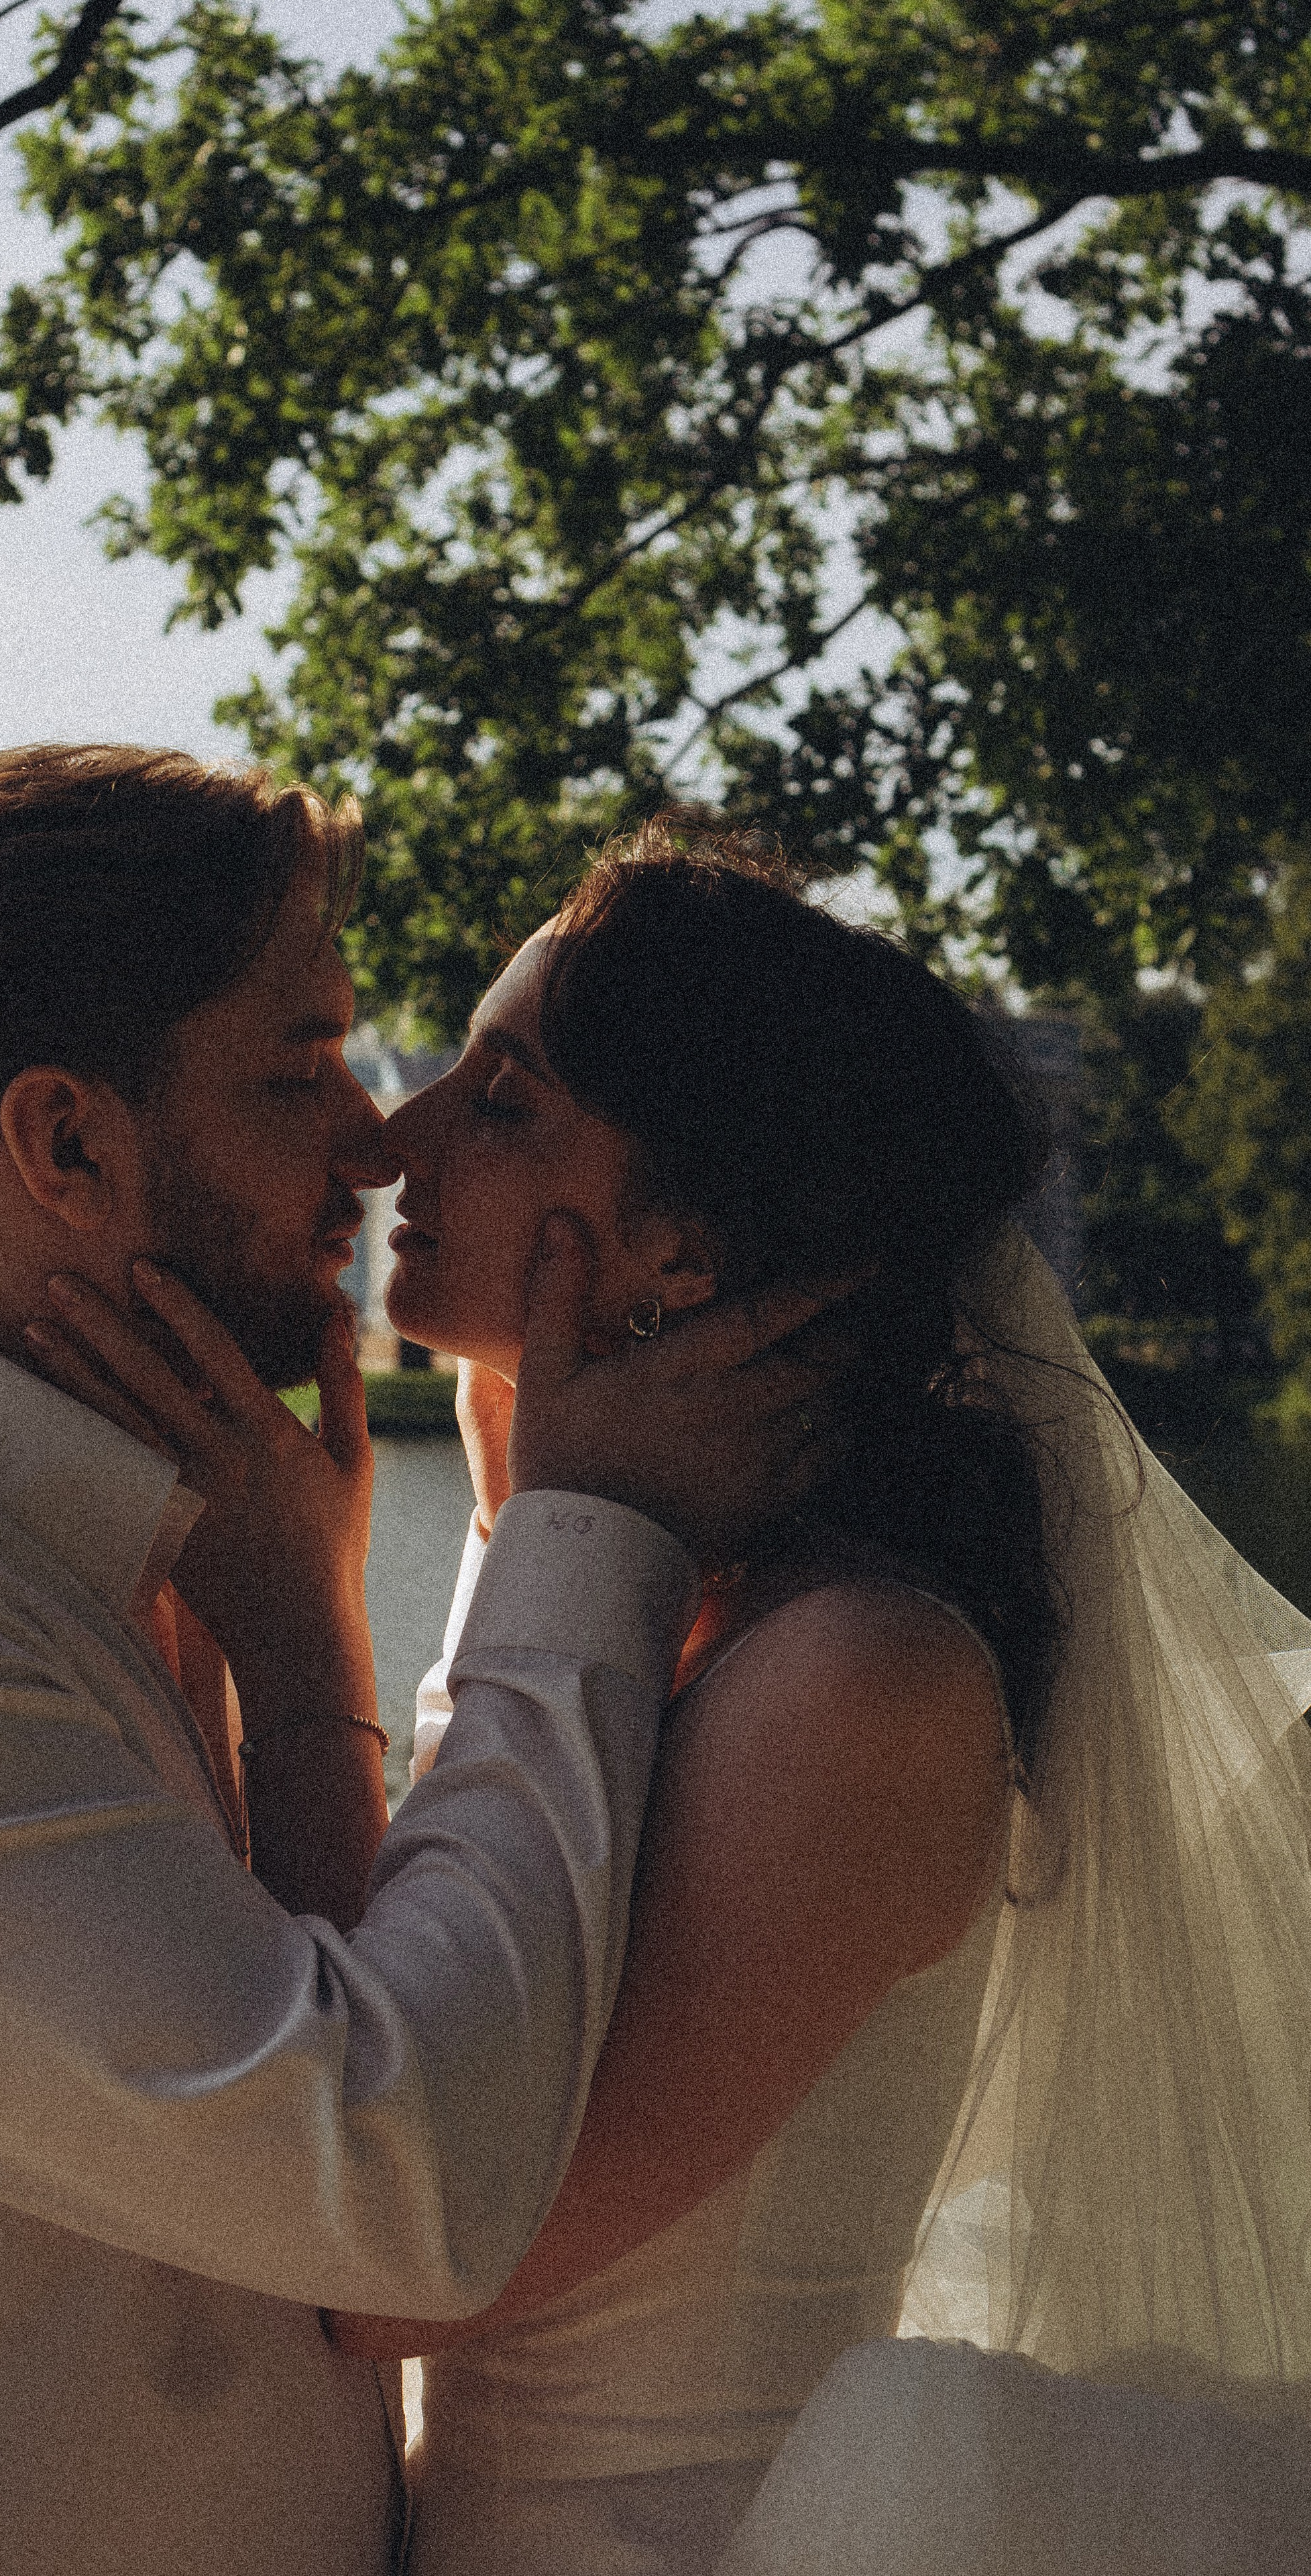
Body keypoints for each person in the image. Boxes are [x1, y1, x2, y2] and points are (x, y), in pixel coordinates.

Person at [0, 749, 838, 2576]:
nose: (376, 1136)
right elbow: (405, 2185)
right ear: (69, 1144)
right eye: (296, 1065)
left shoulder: (132, 1528)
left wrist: (301, 1633)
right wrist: (585, 1536)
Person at [307, 816, 1311, 2572]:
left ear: (683, 1249)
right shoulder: (696, 1611)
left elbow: (408, 2264)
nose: (395, 1137)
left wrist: (290, 1626)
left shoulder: (859, 1680)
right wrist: (529, 1526)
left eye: (506, 1097)